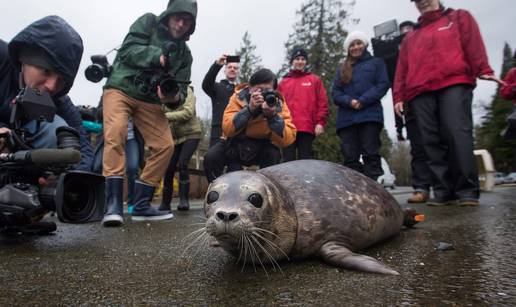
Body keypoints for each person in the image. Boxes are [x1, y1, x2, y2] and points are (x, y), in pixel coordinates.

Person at [393, 0, 504, 206]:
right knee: (430, 140)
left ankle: (467, 189)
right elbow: (402, 69)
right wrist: (399, 96)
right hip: (419, 90)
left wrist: (483, 69)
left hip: (453, 82)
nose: (422, 2)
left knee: (456, 133)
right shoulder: (411, 37)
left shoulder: (458, 18)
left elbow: (473, 44)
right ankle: (442, 190)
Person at [101, 0, 197, 226]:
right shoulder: (149, 22)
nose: (181, 24)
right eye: (178, 18)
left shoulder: (185, 54)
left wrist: (173, 98)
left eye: (187, 21)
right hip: (121, 87)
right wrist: (158, 57)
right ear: (169, 15)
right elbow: (127, 51)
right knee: (116, 132)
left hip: (151, 101)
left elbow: (181, 91)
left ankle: (142, 204)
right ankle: (113, 204)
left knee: (165, 145)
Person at [0, 16, 93, 171]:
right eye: (46, 71)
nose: (52, 86)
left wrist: (73, 181)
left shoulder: (59, 100)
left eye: (61, 79)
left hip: (17, 167)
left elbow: (82, 146)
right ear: (24, 58)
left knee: (58, 129)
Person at [204, 68, 296, 182]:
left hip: (263, 145)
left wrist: (272, 117)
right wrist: (249, 109)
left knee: (273, 154)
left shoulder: (278, 103)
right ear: (250, 88)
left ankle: (268, 192)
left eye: (268, 90)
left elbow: (288, 139)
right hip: (235, 142)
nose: (263, 93)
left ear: (274, 90)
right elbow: (227, 129)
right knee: (211, 157)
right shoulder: (238, 97)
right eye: (259, 89)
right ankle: (216, 191)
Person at [332, 31, 390, 181]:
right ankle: (354, 187)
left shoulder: (377, 63)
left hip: (369, 116)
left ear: (364, 45)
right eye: (352, 45)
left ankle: (374, 186)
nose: (356, 47)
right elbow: (336, 92)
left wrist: (363, 100)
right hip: (347, 119)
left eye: (358, 43)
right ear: (348, 48)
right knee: (350, 156)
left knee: (371, 152)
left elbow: (383, 85)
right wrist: (349, 101)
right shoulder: (342, 68)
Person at [278, 48, 328, 161]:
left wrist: (320, 122)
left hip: (306, 128)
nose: (300, 61)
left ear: (306, 62)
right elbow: (278, 106)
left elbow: (322, 102)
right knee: (287, 163)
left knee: (305, 162)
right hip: (287, 128)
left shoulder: (314, 80)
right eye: (297, 59)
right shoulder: (283, 83)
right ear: (292, 61)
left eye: (303, 59)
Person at [159, 86, 201, 212]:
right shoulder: (162, 91)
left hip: (191, 133)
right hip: (174, 138)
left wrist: (165, 116)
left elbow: (188, 112)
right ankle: (165, 203)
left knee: (183, 163)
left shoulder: (186, 90)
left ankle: (184, 200)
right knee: (169, 168)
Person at [202, 54, 239, 147]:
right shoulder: (217, 87)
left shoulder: (242, 90)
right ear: (225, 70)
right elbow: (206, 84)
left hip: (238, 133)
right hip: (218, 132)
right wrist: (217, 65)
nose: (232, 69)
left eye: (235, 68)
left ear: (238, 72)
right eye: (229, 67)